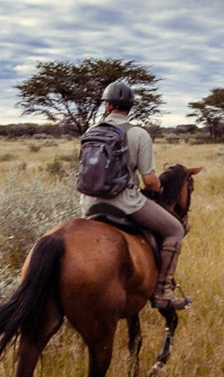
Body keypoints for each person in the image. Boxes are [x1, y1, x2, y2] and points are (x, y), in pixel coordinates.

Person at [79, 81, 190, 310]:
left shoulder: (91, 132)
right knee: (175, 230)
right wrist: (158, 187)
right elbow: (149, 181)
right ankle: (163, 291)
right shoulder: (139, 134)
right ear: (130, 107)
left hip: (89, 203)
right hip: (125, 203)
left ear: (107, 105)